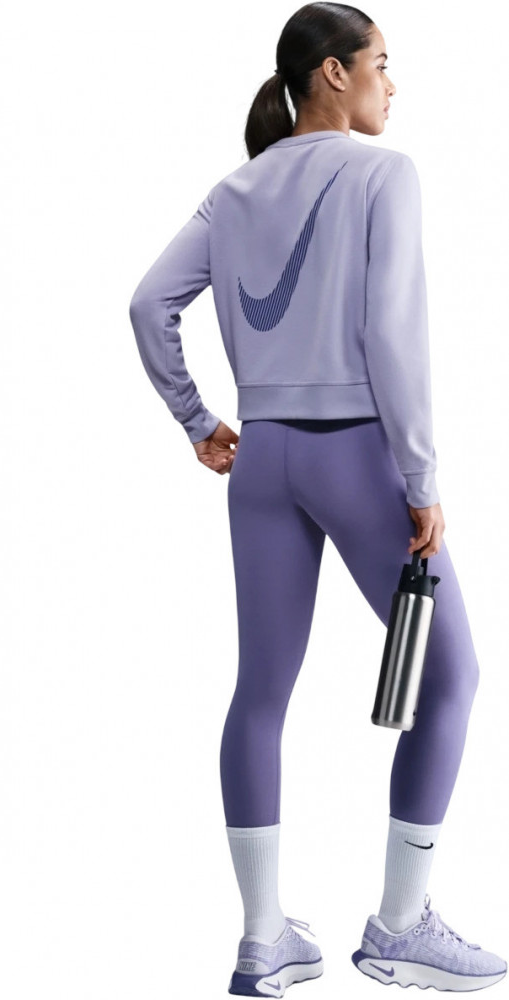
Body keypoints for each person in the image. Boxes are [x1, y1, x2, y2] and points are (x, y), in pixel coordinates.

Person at [128, 3, 506, 995]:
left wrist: (197, 420)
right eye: (380, 62)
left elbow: (147, 302)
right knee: (451, 675)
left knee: (259, 692)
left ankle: (263, 941)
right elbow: (393, 336)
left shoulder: (232, 190)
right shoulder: (384, 174)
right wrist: (420, 480)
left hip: (261, 462)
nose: (391, 81)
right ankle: (400, 926)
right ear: (332, 73)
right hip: (354, 457)